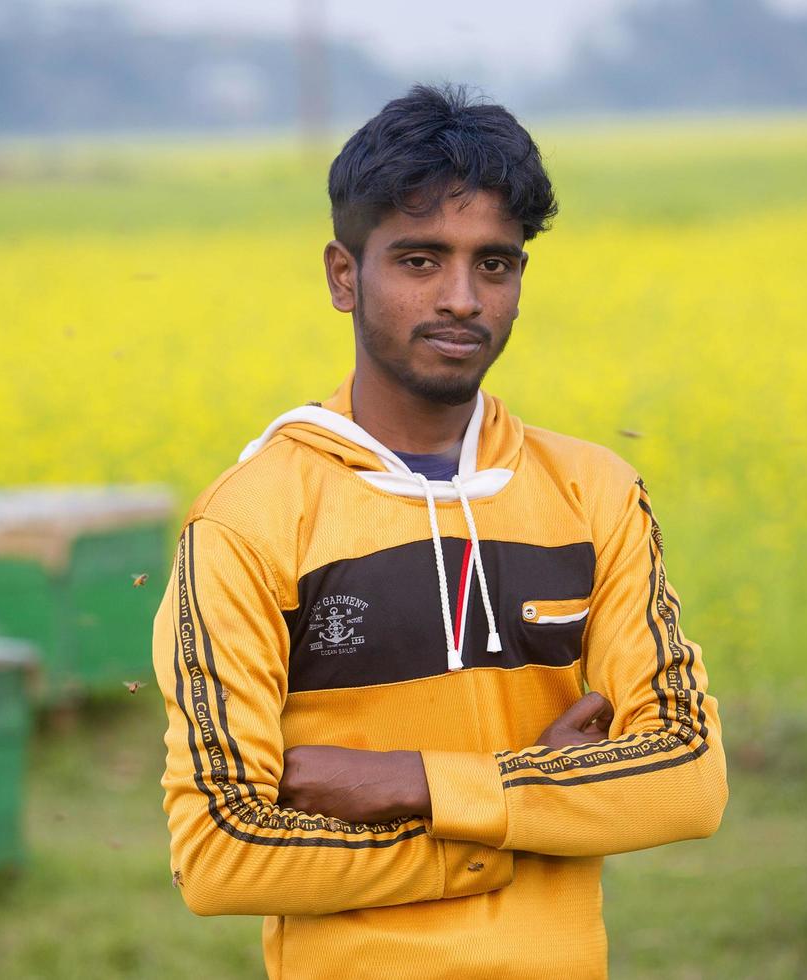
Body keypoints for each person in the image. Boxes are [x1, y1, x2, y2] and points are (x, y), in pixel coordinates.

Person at [151, 82, 727, 980]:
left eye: (493, 264)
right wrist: (508, 826)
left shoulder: (594, 492)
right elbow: (222, 856)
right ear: (346, 276)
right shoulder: (248, 520)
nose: (462, 298)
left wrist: (410, 784)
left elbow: (687, 779)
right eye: (420, 261)